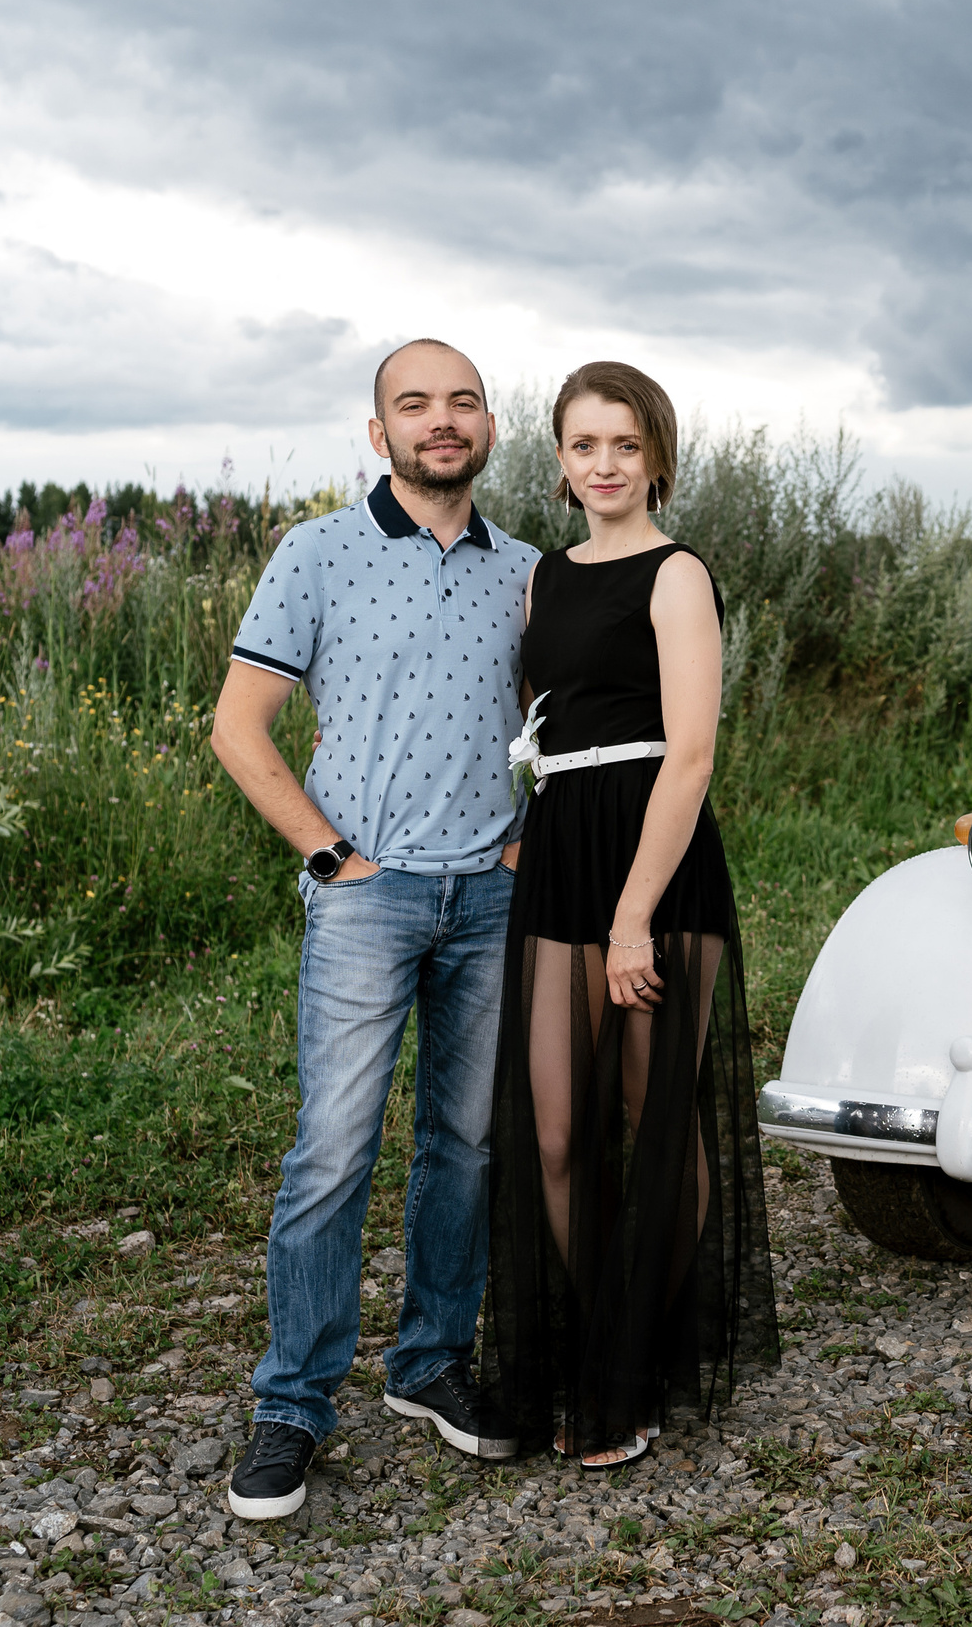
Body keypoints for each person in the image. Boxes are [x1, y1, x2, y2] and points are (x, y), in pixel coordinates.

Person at [209, 339, 537, 1521]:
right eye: (414, 405)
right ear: (377, 432)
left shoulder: (530, 572)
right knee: (332, 1152)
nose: (439, 422)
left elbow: (577, 725)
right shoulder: (318, 551)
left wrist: (526, 838)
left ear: (492, 428)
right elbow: (239, 728)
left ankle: (431, 1363)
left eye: (461, 403)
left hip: (491, 897)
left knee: (468, 1144)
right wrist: (332, 858)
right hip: (368, 898)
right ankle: (293, 1404)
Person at [485, 360, 777, 1469]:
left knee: (656, 1120)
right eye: (581, 445)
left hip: (653, 864)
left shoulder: (677, 575)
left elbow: (691, 753)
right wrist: (528, 820)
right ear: (558, 461)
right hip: (563, 847)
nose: (602, 464)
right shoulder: (544, 579)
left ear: (654, 454)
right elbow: (541, 719)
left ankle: (633, 1362)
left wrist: (632, 920)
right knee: (559, 1131)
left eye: (622, 444)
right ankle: (602, 1329)